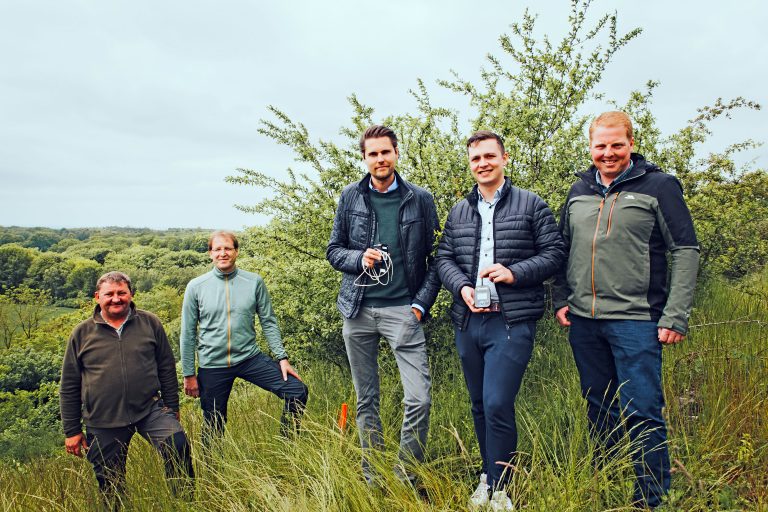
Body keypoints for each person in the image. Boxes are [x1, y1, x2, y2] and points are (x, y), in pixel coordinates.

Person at [553, 111, 699, 508]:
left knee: (642, 411)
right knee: (599, 409)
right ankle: (607, 488)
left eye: (617, 144)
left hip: (637, 320)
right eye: (600, 145)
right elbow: (563, 247)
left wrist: (675, 315)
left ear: (631, 144)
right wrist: (561, 299)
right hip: (584, 322)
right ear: (590, 147)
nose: (608, 153)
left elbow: (686, 250)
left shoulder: (659, 186)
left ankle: (650, 499)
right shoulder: (579, 189)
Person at [436, 131, 566, 511]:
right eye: (476, 158)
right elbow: (444, 257)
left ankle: (502, 488)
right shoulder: (459, 211)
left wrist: (514, 273)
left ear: (505, 158)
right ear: (470, 163)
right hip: (469, 322)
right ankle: (487, 476)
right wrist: (461, 287)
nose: (483, 164)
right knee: (479, 404)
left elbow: (555, 253)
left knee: (497, 403)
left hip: (511, 321)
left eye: (489, 156)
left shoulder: (531, 204)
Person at [326, 125, 441, 485]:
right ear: (364, 157)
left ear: (396, 153)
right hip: (357, 311)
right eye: (373, 153)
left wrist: (421, 304)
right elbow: (334, 251)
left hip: (404, 311)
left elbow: (438, 257)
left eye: (385, 152)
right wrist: (359, 257)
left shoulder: (420, 199)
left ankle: (406, 477)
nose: (380, 159)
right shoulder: (350, 196)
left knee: (419, 399)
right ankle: (372, 479)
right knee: (366, 401)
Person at [60, 271, 194, 508]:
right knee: (110, 482)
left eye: (121, 293)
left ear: (131, 294)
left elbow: (165, 366)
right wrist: (72, 430)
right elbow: (69, 384)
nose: (116, 299)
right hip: (103, 419)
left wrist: (172, 406)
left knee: (178, 445)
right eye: (109, 294)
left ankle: (186, 504)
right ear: (97, 297)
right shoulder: (81, 333)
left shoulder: (150, 322)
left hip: (149, 409)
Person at [180, 231, 308, 442]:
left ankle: (288, 444)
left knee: (297, 391)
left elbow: (268, 320)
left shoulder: (254, 281)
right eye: (217, 249)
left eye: (228, 248)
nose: (223, 253)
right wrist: (188, 374)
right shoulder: (196, 286)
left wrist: (282, 358)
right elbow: (187, 333)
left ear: (236, 251)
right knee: (214, 424)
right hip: (212, 364)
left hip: (249, 358)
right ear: (210, 253)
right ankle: (212, 462)